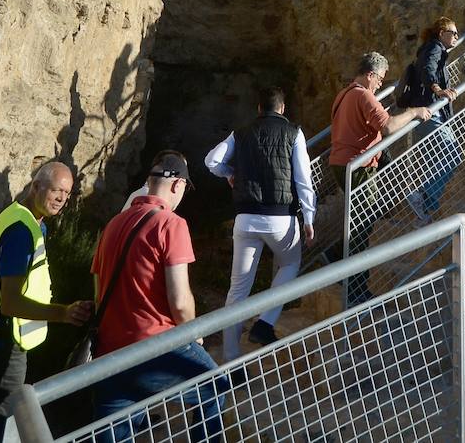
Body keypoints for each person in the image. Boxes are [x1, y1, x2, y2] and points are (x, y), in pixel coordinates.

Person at [0, 161, 92, 443]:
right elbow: (10, 303)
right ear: (36, 186)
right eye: (56, 190)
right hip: (1, 345)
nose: (61, 199)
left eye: (67, 193)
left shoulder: (24, 219)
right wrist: (63, 313)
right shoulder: (20, 232)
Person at [89, 151, 225, 442]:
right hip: (152, 347)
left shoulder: (114, 224)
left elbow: (99, 292)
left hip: (110, 351)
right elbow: (179, 300)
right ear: (178, 185)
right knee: (214, 386)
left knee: (114, 431)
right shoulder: (171, 224)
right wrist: (192, 331)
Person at [204, 87, 317, 361]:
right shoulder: (294, 133)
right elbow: (303, 180)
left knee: (238, 290)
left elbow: (211, 161)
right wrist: (309, 218)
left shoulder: (240, 133)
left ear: (258, 109)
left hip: (245, 219)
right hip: (282, 220)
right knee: (290, 264)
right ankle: (265, 322)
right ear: (282, 109)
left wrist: (229, 173)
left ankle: (231, 359)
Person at [328, 52, 433, 305]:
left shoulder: (344, 94)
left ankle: (337, 259)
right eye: (380, 80)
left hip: (342, 163)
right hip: (360, 165)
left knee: (361, 221)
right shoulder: (363, 95)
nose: (380, 85)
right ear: (371, 74)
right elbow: (388, 127)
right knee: (362, 226)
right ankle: (355, 287)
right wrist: (414, 112)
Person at [399, 17, 463, 223]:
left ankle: (423, 214)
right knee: (452, 155)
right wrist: (438, 90)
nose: (456, 36)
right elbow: (427, 69)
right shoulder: (434, 48)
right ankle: (424, 200)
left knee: (437, 160)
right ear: (440, 33)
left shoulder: (431, 49)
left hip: (427, 111)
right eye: (453, 32)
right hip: (429, 110)